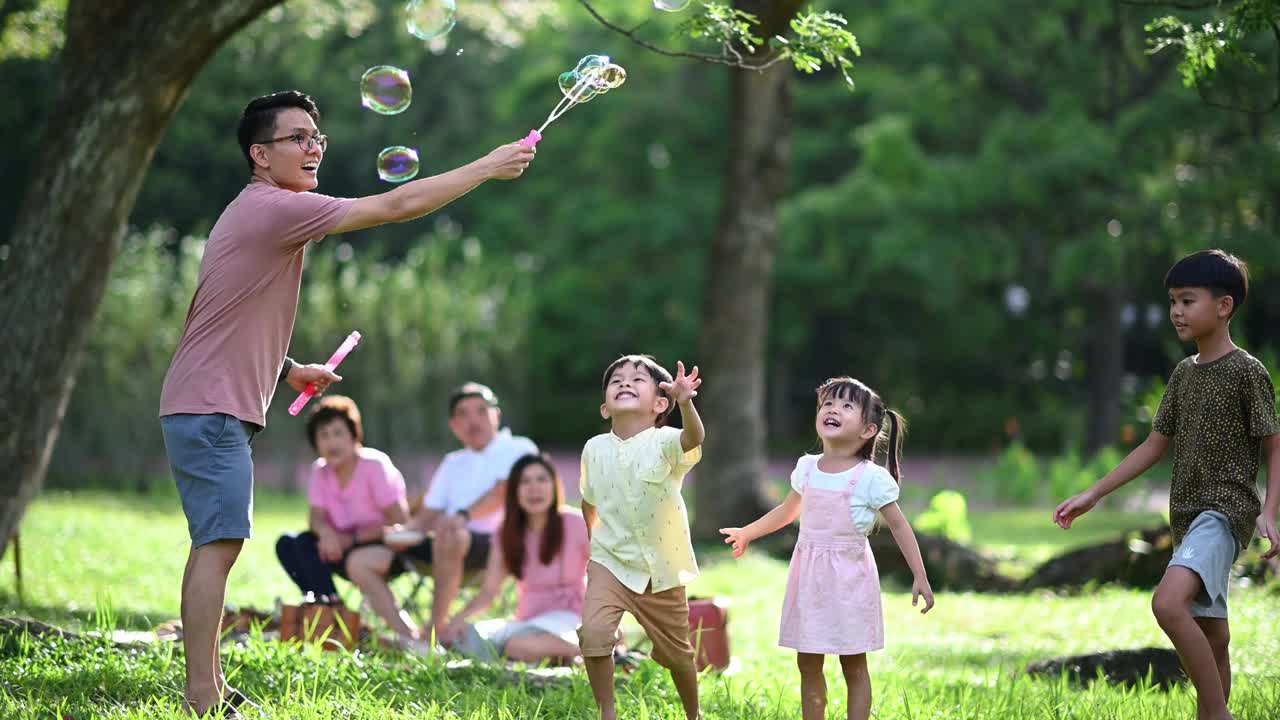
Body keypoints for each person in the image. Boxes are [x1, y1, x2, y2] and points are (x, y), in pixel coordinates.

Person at [158, 90, 534, 716]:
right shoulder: (274, 207)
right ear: (260, 154)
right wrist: (486, 167)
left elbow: (220, 318)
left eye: (317, 139)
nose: (313, 149)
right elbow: (397, 203)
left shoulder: (256, 211)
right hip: (211, 410)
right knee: (217, 546)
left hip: (207, 404)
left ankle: (212, 686)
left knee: (217, 544)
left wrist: (286, 369)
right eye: (297, 138)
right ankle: (201, 694)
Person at [1055, 249, 1280, 720]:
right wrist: (1094, 493)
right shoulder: (1183, 374)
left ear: (1224, 307)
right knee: (1212, 633)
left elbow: (1274, 446)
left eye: (1188, 300)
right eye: (1173, 301)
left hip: (1224, 511)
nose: (1176, 311)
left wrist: (1270, 511)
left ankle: (1217, 713)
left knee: (1167, 603)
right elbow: (1154, 445)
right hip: (1187, 516)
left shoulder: (1247, 371)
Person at [720, 377, 935, 720]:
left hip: (850, 581)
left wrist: (920, 574)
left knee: (853, 662)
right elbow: (787, 511)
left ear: (867, 430)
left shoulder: (869, 478)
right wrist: (748, 533)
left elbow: (899, 525)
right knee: (807, 661)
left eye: (846, 405)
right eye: (827, 404)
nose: (833, 409)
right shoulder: (807, 467)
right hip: (809, 579)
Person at [349, 382, 537, 648]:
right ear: (453, 425)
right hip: (445, 546)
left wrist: (461, 516)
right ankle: (408, 635)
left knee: (451, 532)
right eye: (464, 414)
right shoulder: (453, 462)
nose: (474, 420)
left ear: (497, 415)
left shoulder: (518, 448)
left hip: (495, 546)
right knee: (360, 561)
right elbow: (430, 513)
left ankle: (434, 630)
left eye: (482, 411)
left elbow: (503, 492)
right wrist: (405, 531)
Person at [578, 355, 705, 720]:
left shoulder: (666, 442)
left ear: (660, 404)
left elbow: (694, 437)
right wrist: (594, 545)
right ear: (605, 408)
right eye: (616, 380)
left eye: (637, 379)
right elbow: (589, 501)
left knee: (678, 653)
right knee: (594, 634)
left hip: (660, 567)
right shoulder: (593, 449)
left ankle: (693, 713)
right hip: (609, 562)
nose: (625, 383)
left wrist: (687, 403)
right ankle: (607, 711)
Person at [441, 453, 590, 663]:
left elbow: (606, 574)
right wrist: (455, 621)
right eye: (525, 482)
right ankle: (567, 656)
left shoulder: (576, 523)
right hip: (527, 622)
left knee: (516, 646)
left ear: (554, 486)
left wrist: (608, 621)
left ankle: (593, 651)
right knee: (468, 636)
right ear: (515, 492)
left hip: (570, 618)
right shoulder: (507, 533)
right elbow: (488, 594)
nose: (534, 488)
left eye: (541, 480)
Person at [274, 396, 409, 604]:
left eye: (338, 433)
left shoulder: (374, 465)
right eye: (324, 435)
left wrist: (353, 539)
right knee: (291, 543)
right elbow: (316, 519)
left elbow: (400, 521)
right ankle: (329, 603)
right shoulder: (320, 470)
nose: (331, 442)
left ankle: (330, 606)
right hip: (338, 549)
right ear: (315, 443)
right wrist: (327, 534)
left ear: (353, 436)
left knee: (305, 545)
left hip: (380, 548)